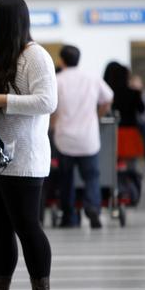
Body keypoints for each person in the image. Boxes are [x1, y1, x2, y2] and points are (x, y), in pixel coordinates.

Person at [0, 0, 57, 290]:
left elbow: (47, 101)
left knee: (27, 227)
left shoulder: (35, 56)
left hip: (25, 159)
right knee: (0, 230)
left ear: (6, 22)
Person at [52, 45, 113, 229]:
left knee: (66, 178)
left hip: (64, 139)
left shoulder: (57, 80)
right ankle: (93, 208)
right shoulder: (92, 78)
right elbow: (108, 98)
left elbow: (50, 107)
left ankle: (69, 216)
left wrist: (52, 124)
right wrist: (98, 115)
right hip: (88, 139)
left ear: (62, 61)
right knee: (91, 177)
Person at [104, 63, 145, 163]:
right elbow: (142, 109)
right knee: (130, 164)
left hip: (113, 130)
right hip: (130, 130)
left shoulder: (109, 93)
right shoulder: (134, 93)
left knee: (112, 164)